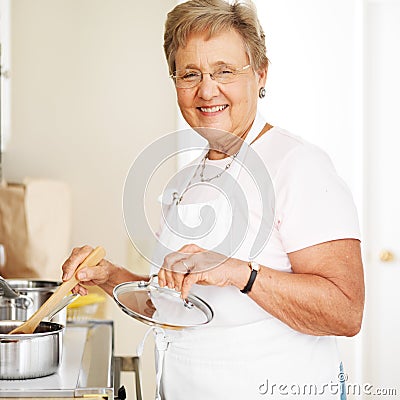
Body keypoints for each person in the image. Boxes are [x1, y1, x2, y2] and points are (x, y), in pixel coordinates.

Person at [62, 1, 364, 399]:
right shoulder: (187, 178)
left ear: (260, 74)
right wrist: (109, 276)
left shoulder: (297, 166)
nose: (207, 90)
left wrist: (241, 273)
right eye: (190, 74)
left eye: (224, 71)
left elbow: (345, 311)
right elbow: (172, 303)